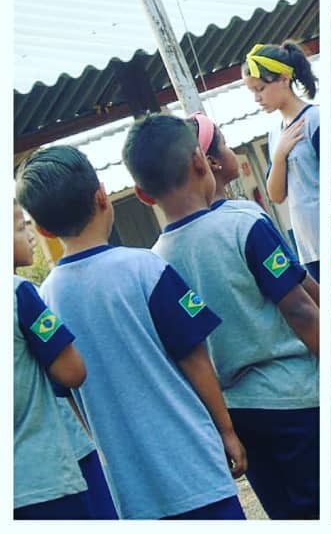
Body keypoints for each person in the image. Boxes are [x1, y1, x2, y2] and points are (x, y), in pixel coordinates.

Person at [16, 146, 246, 520]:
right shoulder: (145, 267)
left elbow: (68, 394)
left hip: (130, 489)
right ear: (101, 196)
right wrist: (227, 430)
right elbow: (195, 358)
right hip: (195, 466)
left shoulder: (46, 299)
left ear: (42, 229)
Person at [123, 115, 319, 519]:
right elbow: (300, 308)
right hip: (294, 397)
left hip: (237, 412)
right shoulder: (242, 222)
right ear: (200, 161)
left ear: (142, 195)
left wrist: (223, 426)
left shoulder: (154, 263)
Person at [14, 201, 118, 520]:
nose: (30, 235)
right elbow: (73, 372)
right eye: (19, 227)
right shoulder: (21, 295)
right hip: (53, 470)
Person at [243, 41, 320, 282]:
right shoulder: (275, 134)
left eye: (261, 88)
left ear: (284, 79)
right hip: (307, 244)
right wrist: (279, 156)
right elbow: (276, 195)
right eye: (252, 92)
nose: (257, 98)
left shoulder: (315, 119)